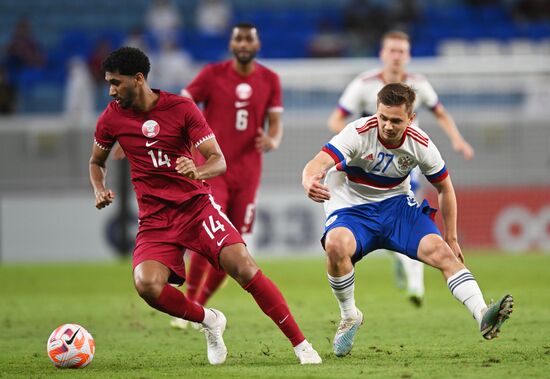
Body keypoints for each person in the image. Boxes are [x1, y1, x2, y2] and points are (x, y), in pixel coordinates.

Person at [89, 46, 321, 365]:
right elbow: (96, 161)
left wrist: (196, 170)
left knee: (245, 269)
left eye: (116, 82)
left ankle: (302, 346)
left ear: (138, 79)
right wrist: (99, 187)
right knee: (146, 285)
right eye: (109, 83)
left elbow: (218, 161)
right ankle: (209, 320)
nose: (112, 90)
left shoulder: (181, 108)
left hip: (197, 210)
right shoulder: (112, 117)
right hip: (155, 222)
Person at [303, 82, 513, 357]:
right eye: (383, 118)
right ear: (376, 112)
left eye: (396, 120)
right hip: (352, 207)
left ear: (411, 119)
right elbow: (316, 164)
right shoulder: (357, 132)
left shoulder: (421, 144)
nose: (388, 126)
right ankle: (350, 315)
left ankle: (483, 314)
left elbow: (445, 188)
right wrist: (309, 180)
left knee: (442, 252)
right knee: (336, 245)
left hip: (397, 208)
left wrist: (451, 237)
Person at [327, 30, 475, 307]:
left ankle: (415, 283)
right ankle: (400, 259)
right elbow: (336, 120)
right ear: (382, 53)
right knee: (387, 221)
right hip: (369, 165)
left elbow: (440, 113)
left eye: (401, 51)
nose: (396, 56)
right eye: (392, 50)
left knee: (410, 213)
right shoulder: (364, 84)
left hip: (407, 162)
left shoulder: (419, 84)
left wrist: (458, 140)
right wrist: (356, 141)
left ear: (408, 55)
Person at [170, 22, 284, 330]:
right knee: (208, 232)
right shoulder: (211, 74)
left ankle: (198, 306)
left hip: (248, 173)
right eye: (239, 39)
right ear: (231, 44)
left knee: (234, 243)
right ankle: (190, 306)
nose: (244, 44)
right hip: (211, 168)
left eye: (249, 38)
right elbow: (182, 104)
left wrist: (272, 140)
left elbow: (275, 123)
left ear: (257, 45)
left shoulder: (270, 79)